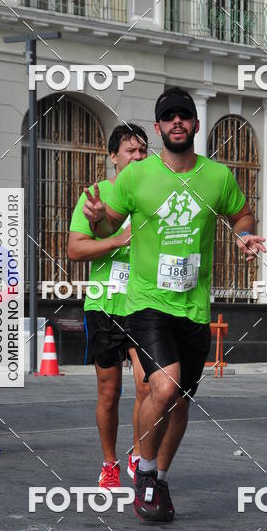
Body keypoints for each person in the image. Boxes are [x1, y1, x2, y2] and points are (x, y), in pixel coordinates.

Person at [82, 87, 266, 521]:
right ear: (160, 126)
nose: (177, 122)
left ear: (196, 125)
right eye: (169, 117)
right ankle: (143, 474)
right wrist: (97, 218)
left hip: (194, 305)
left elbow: (241, 214)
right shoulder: (137, 175)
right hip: (146, 301)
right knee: (162, 386)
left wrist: (243, 236)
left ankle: (159, 479)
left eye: (185, 116)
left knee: (180, 400)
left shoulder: (217, 177)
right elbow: (109, 217)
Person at [68, 124, 150, 489]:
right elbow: (75, 250)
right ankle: (109, 462)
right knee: (109, 391)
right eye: (130, 150)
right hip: (104, 305)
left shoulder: (153, 196)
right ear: (113, 156)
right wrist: (117, 239)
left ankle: (137, 454)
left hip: (145, 303)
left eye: (143, 151)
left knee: (147, 386)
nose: (137, 156)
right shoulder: (97, 195)